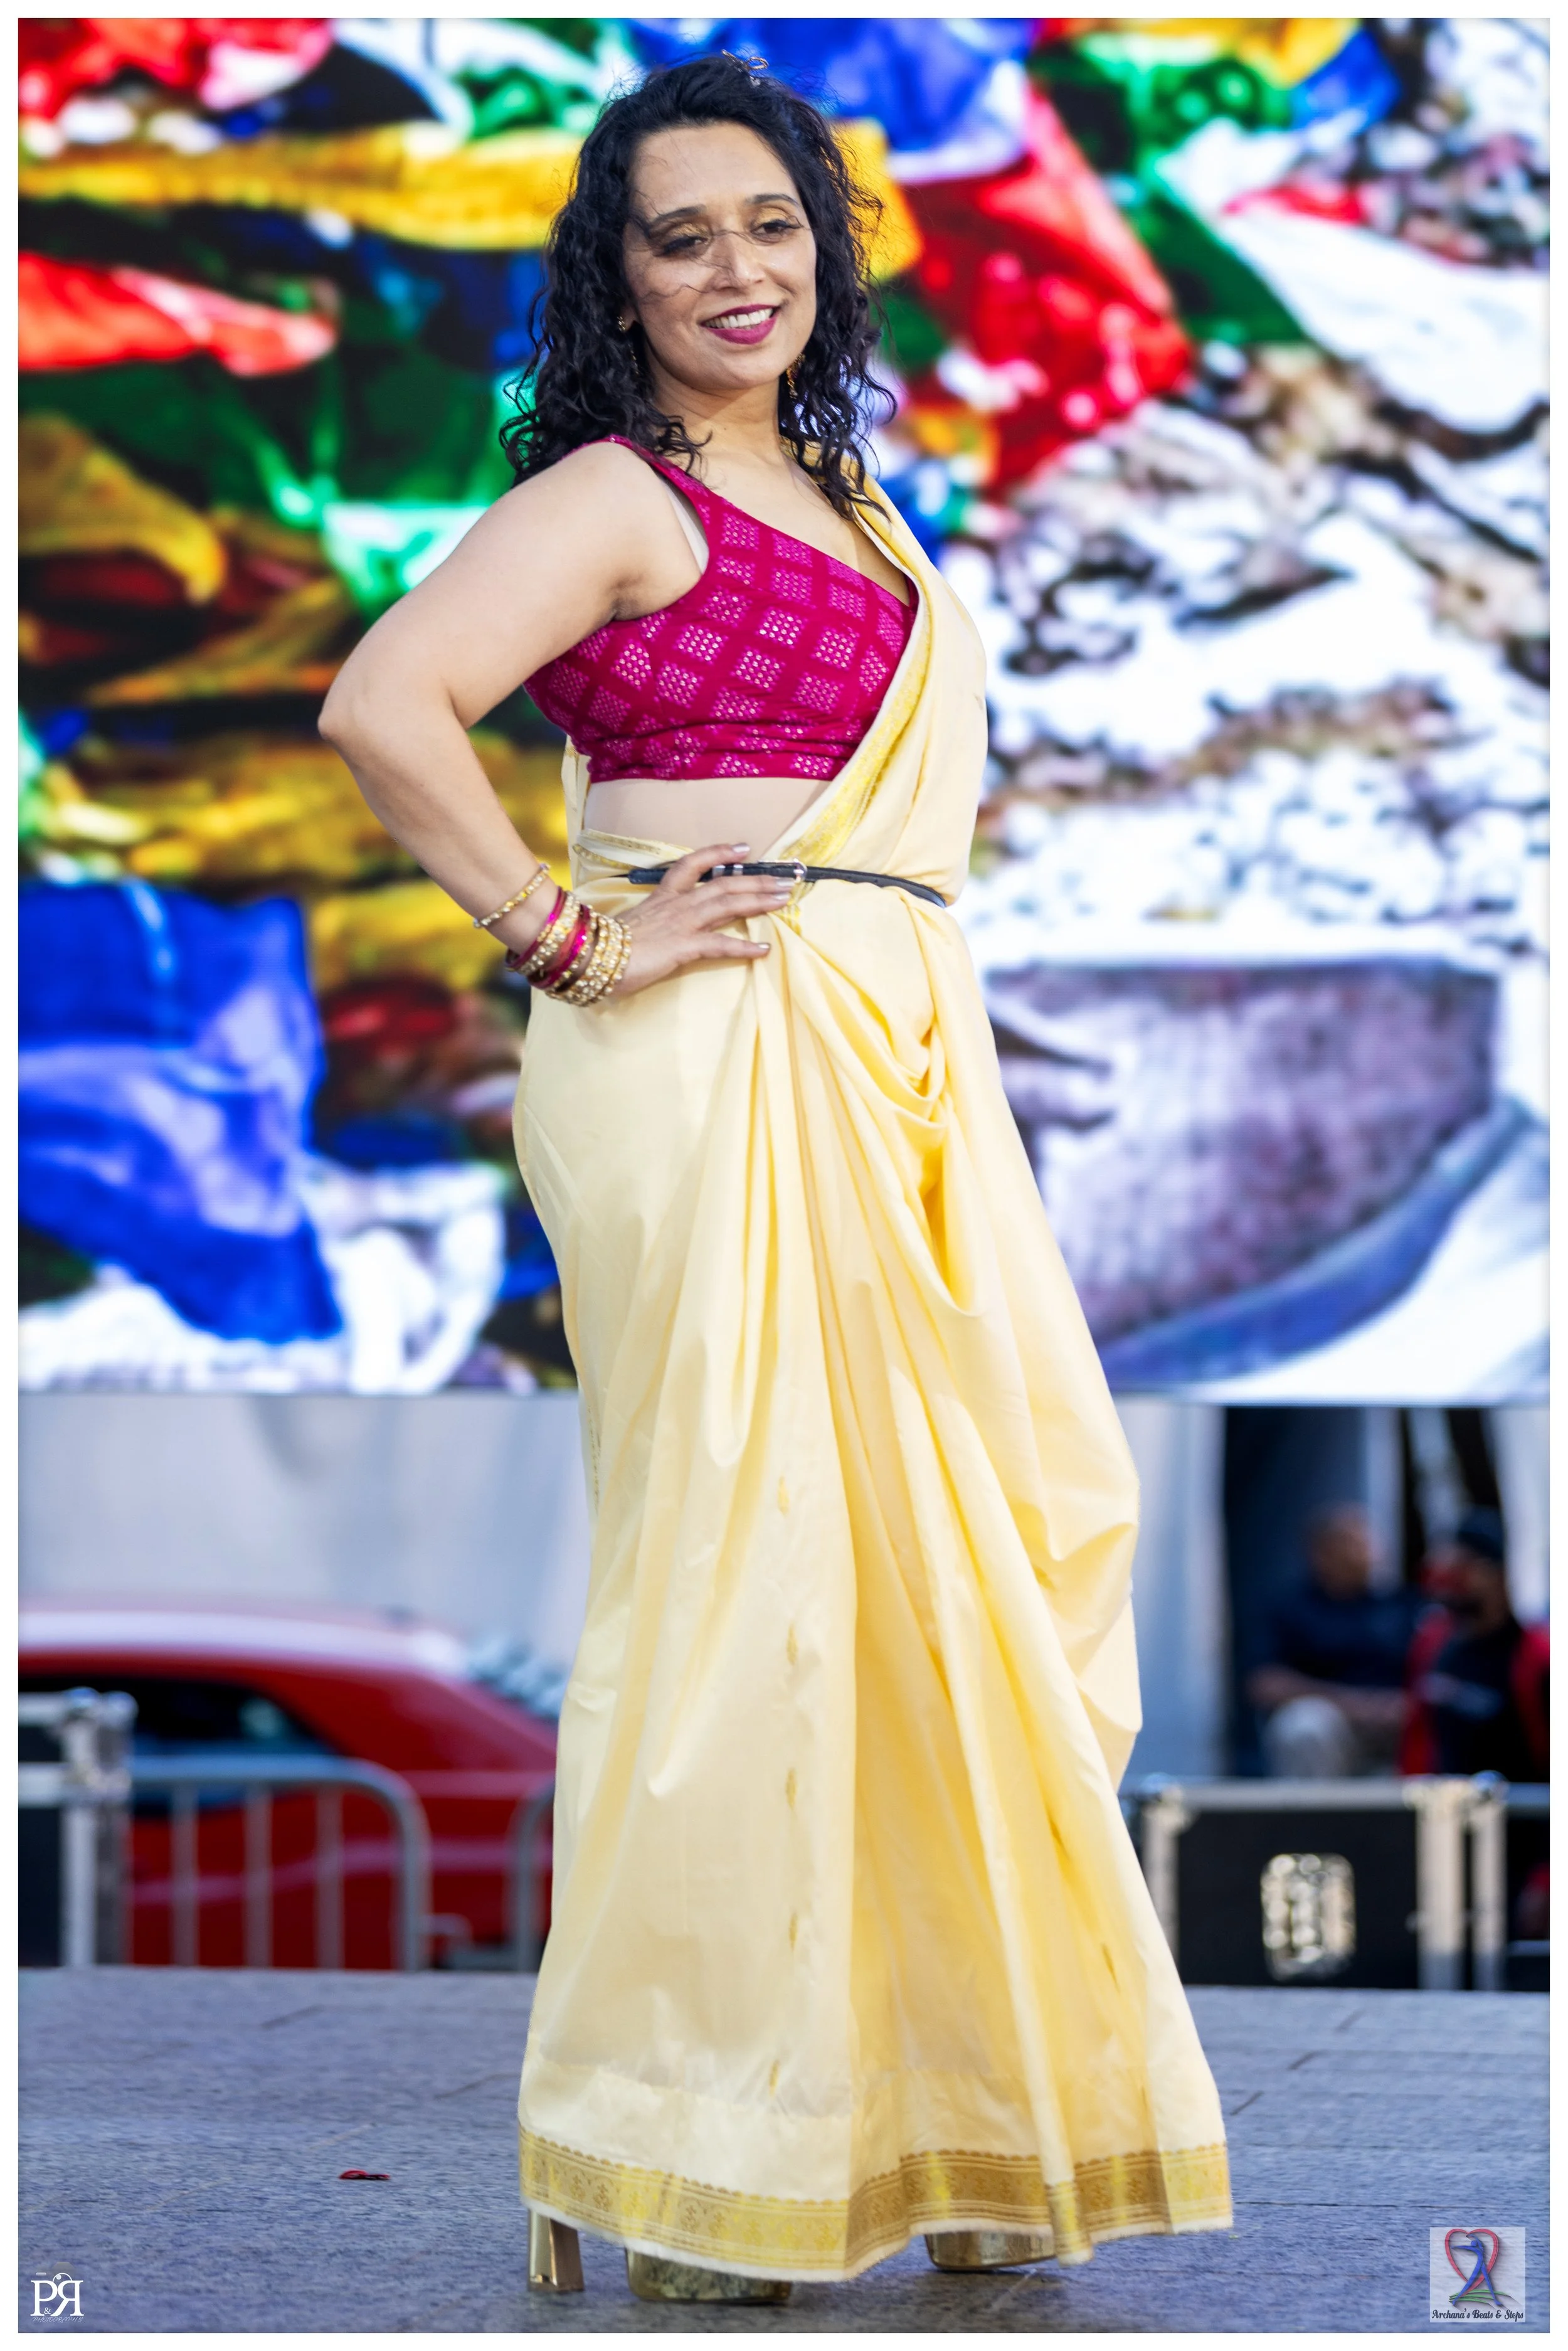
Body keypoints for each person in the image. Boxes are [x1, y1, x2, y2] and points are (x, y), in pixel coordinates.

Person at [320, 51, 1229, 2306]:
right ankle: (692, 2143)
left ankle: (950, 2111)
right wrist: (569, 932)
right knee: (755, 1589)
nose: (736, 266)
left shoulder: (842, 486)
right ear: (615, 278)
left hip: (888, 1053)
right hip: (709, 1052)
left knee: (981, 1563)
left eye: (770, 224)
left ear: (822, 249)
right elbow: (382, 701)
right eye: (680, 232)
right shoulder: (621, 495)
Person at [1246, 1504, 1419, 1778]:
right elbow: (1264, 1684)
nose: (1366, 1551)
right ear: (1321, 1553)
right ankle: (1311, 1818)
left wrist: (1409, 1704)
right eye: (1353, 1542)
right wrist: (1353, 1704)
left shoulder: (1404, 1605)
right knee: (1304, 1725)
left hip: (1398, 1727)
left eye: (1368, 1540)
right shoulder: (1293, 1609)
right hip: (1335, 1725)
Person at [1401, 1507, 1549, 1784]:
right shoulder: (1432, 1645)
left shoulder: (1537, 1656)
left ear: (1498, 1574)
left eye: (1464, 1567)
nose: (1448, 1580)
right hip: (1444, 1814)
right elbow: (1417, 1736)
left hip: (1525, 1813)